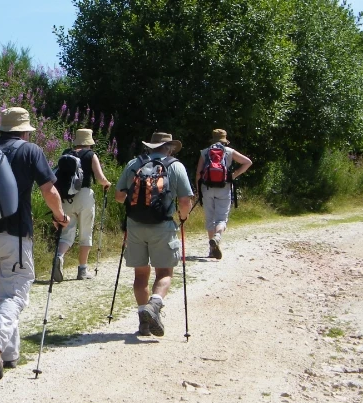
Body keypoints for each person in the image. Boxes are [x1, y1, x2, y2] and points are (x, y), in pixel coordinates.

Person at [0, 107, 70, 381]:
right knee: (15, 294)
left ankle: (8, 355)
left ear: (1, 129)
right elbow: (49, 190)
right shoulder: (29, 150)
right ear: (24, 130)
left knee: (3, 293)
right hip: (15, 235)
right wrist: (61, 217)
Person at [114, 132, 195, 337]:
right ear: (169, 147)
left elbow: (118, 196)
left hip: (135, 225)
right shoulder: (175, 166)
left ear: (150, 146)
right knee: (165, 272)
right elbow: (185, 201)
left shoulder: (135, 163)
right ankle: (155, 305)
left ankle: (144, 320)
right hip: (163, 226)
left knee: (140, 275)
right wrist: (183, 218)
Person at [53, 128, 112, 282]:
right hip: (85, 196)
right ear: (89, 142)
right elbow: (100, 178)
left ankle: (58, 257)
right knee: (86, 234)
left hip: (66, 198)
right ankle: (82, 270)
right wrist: (107, 184)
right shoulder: (90, 155)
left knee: (67, 234)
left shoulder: (67, 153)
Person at [195, 129, 252, 260]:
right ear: (224, 140)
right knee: (221, 219)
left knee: (210, 218)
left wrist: (199, 190)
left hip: (207, 188)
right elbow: (248, 162)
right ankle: (218, 237)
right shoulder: (229, 151)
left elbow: (198, 173)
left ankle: (211, 250)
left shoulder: (205, 152)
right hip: (224, 187)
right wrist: (234, 175)